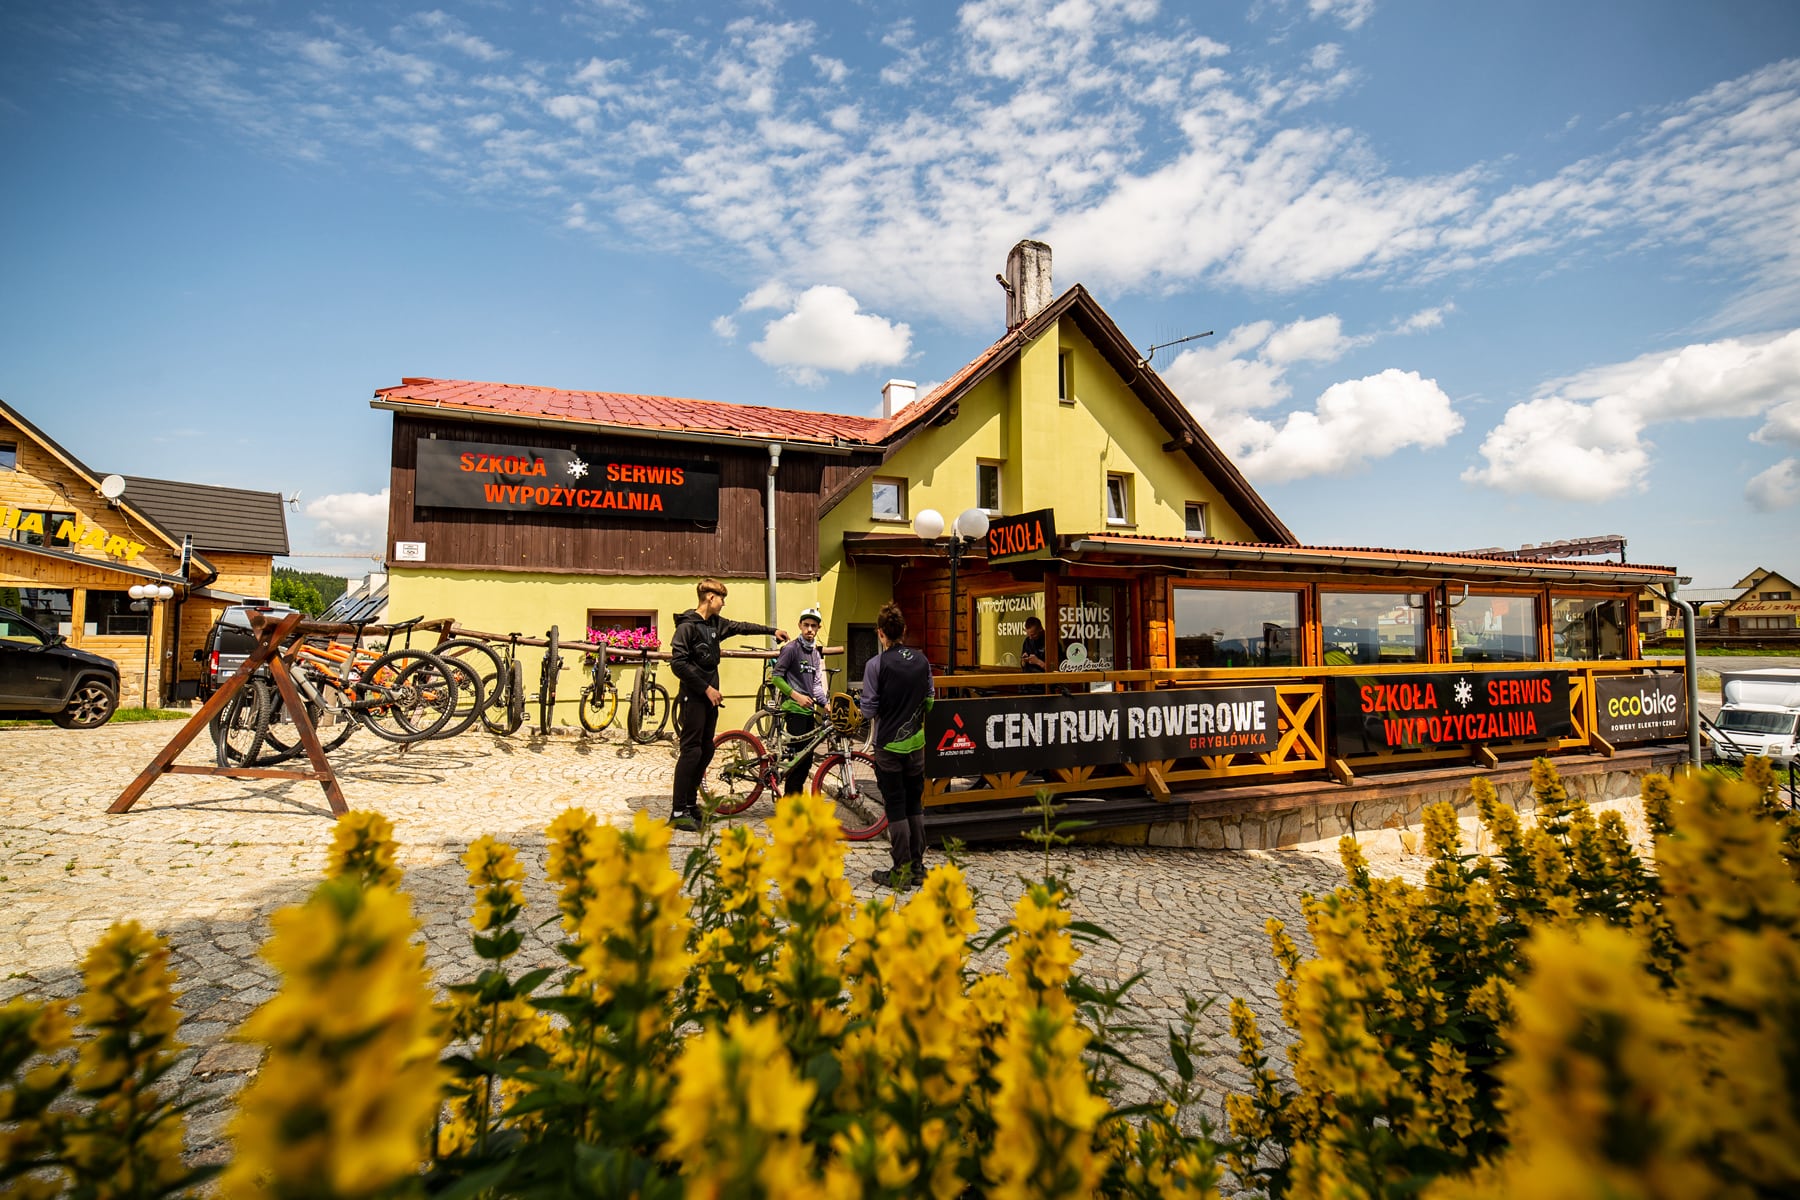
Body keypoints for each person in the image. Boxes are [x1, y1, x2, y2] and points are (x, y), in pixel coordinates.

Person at [669, 579, 785, 832]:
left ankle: (690, 805)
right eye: (722, 598)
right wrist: (706, 688)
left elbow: (742, 627)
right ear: (710, 598)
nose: (724, 603)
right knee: (691, 751)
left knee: (706, 750)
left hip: (711, 697)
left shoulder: (715, 625)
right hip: (694, 696)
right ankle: (678, 811)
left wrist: (771, 631)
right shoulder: (687, 627)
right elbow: (678, 664)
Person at [859, 601, 934, 889]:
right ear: (903, 630)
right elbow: (929, 701)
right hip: (916, 746)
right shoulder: (922, 661)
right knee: (915, 804)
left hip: (888, 747)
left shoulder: (875, 665)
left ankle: (900, 871)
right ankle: (918, 867)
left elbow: (868, 710)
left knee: (896, 807)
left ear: (881, 633)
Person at [772, 606, 829, 796]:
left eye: (813, 626)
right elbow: (776, 677)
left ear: (819, 628)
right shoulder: (791, 649)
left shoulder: (814, 654)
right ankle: (789, 802)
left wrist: (825, 704)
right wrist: (796, 695)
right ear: (800, 625)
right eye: (806, 625)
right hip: (793, 709)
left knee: (807, 759)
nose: (809, 629)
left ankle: (793, 799)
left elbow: (816, 685)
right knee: (798, 760)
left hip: (808, 711)